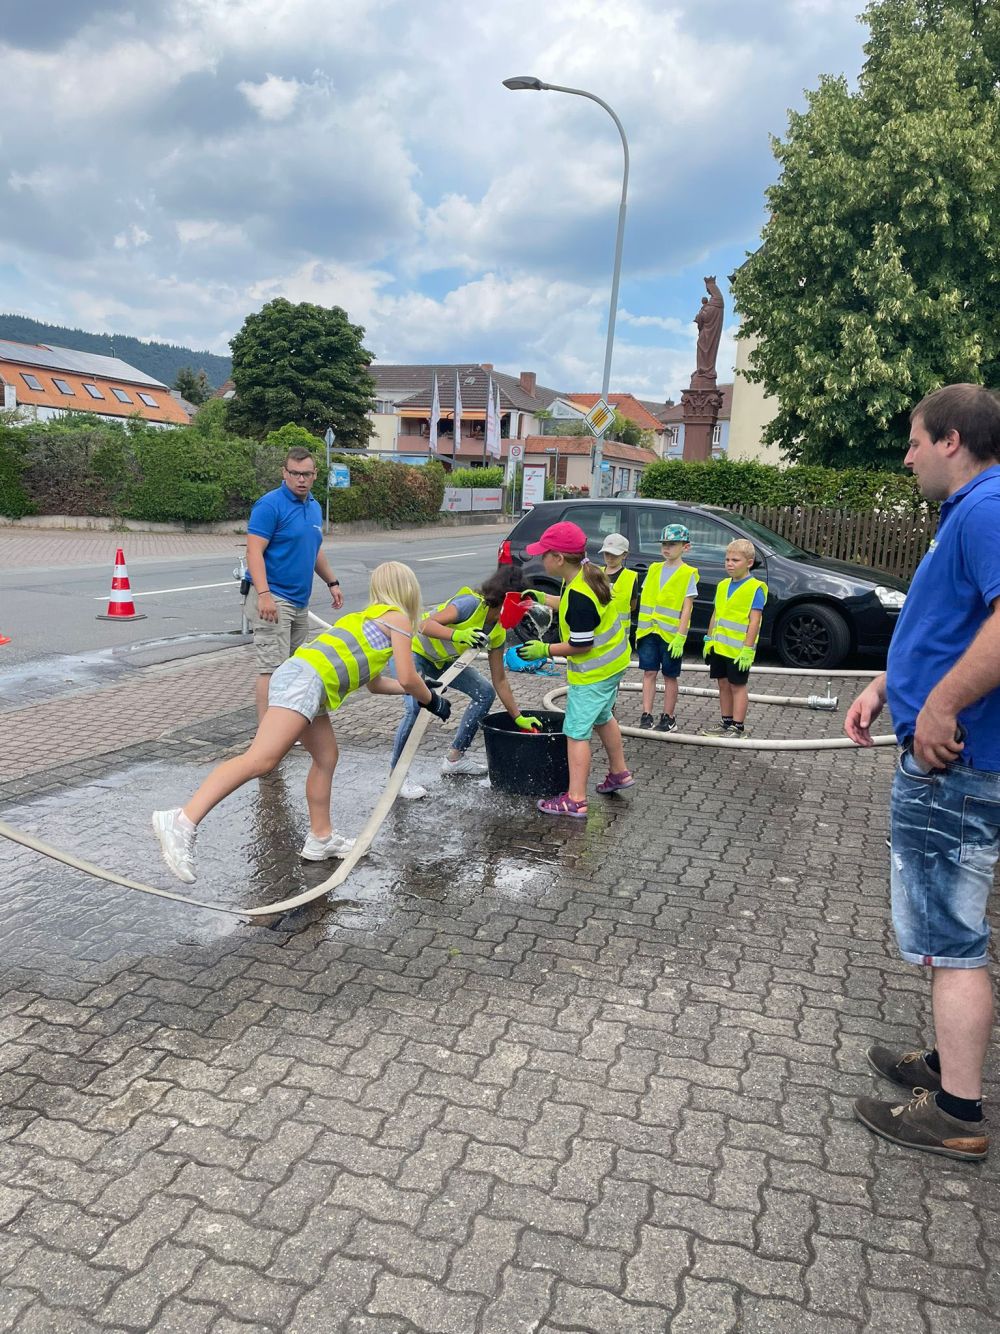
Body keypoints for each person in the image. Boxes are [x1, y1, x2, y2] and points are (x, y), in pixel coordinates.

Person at [845, 383, 1000, 1163]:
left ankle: (956, 1112)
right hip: (954, 759)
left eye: (914, 441)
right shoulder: (968, 513)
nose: (907, 458)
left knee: (952, 941)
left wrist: (939, 705)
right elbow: (949, 626)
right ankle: (947, 1063)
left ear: (951, 440)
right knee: (947, 931)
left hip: (956, 765)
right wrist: (887, 685)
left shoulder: (986, 509)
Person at [152, 562, 451, 884]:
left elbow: (377, 684)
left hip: (308, 682)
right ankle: (182, 820)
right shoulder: (398, 618)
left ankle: (321, 838)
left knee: (326, 757)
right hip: (305, 682)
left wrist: (422, 687)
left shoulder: (369, 621)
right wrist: (431, 700)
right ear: (409, 589)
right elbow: (407, 677)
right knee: (261, 760)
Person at [390, 567, 541, 800]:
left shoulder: (498, 631)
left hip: (443, 662)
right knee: (414, 708)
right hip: (414, 653)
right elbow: (424, 625)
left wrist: (517, 716)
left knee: (484, 692)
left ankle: (455, 759)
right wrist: (457, 635)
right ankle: (397, 777)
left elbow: (500, 679)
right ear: (506, 599)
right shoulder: (471, 604)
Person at [518, 521, 633, 818]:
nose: (540, 558)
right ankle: (619, 772)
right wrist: (542, 599)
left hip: (593, 674)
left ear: (558, 558)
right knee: (604, 717)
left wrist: (544, 650)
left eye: (544, 554)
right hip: (612, 666)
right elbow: (569, 604)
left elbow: (580, 645)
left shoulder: (581, 591)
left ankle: (576, 799)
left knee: (576, 732)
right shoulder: (585, 575)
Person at [246, 446, 344, 721]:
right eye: (295, 473)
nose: (301, 479)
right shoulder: (270, 505)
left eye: (306, 474)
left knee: (294, 668)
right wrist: (264, 594)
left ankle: (285, 728)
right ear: (284, 473)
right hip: (274, 597)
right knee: (271, 669)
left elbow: (314, 548)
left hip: (300, 601)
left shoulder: (314, 507)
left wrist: (332, 581)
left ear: (315, 475)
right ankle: (266, 734)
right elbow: (254, 551)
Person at [700, 539, 767, 738]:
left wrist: (748, 648)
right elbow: (716, 614)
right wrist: (708, 639)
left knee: (737, 686)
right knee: (722, 684)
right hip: (719, 647)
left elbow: (754, 621)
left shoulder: (755, 588)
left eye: (735, 560)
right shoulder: (722, 585)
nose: (729, 564)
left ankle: (738, 727)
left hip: (739, 650)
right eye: (727, 559)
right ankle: (726, 722)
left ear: (749, 562)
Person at [635, 523, 698, 733]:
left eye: (672, 544)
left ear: (685, 547)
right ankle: (646, 714)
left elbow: (687, 608)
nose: (666, 548)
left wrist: (681, 636)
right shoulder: (654, 569)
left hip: (670, 635)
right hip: (648, 631)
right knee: (649, 672)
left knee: (670, 675)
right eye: (664, 544)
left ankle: (669, 717)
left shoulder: (687, 573)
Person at [600, 533, 639, 646]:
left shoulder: (630, 577)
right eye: (607, 553)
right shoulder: (597, 573)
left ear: (624, 555)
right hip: (598, 632)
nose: (610, 558)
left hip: (619, 636)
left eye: (614, 554)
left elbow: (633, 606)